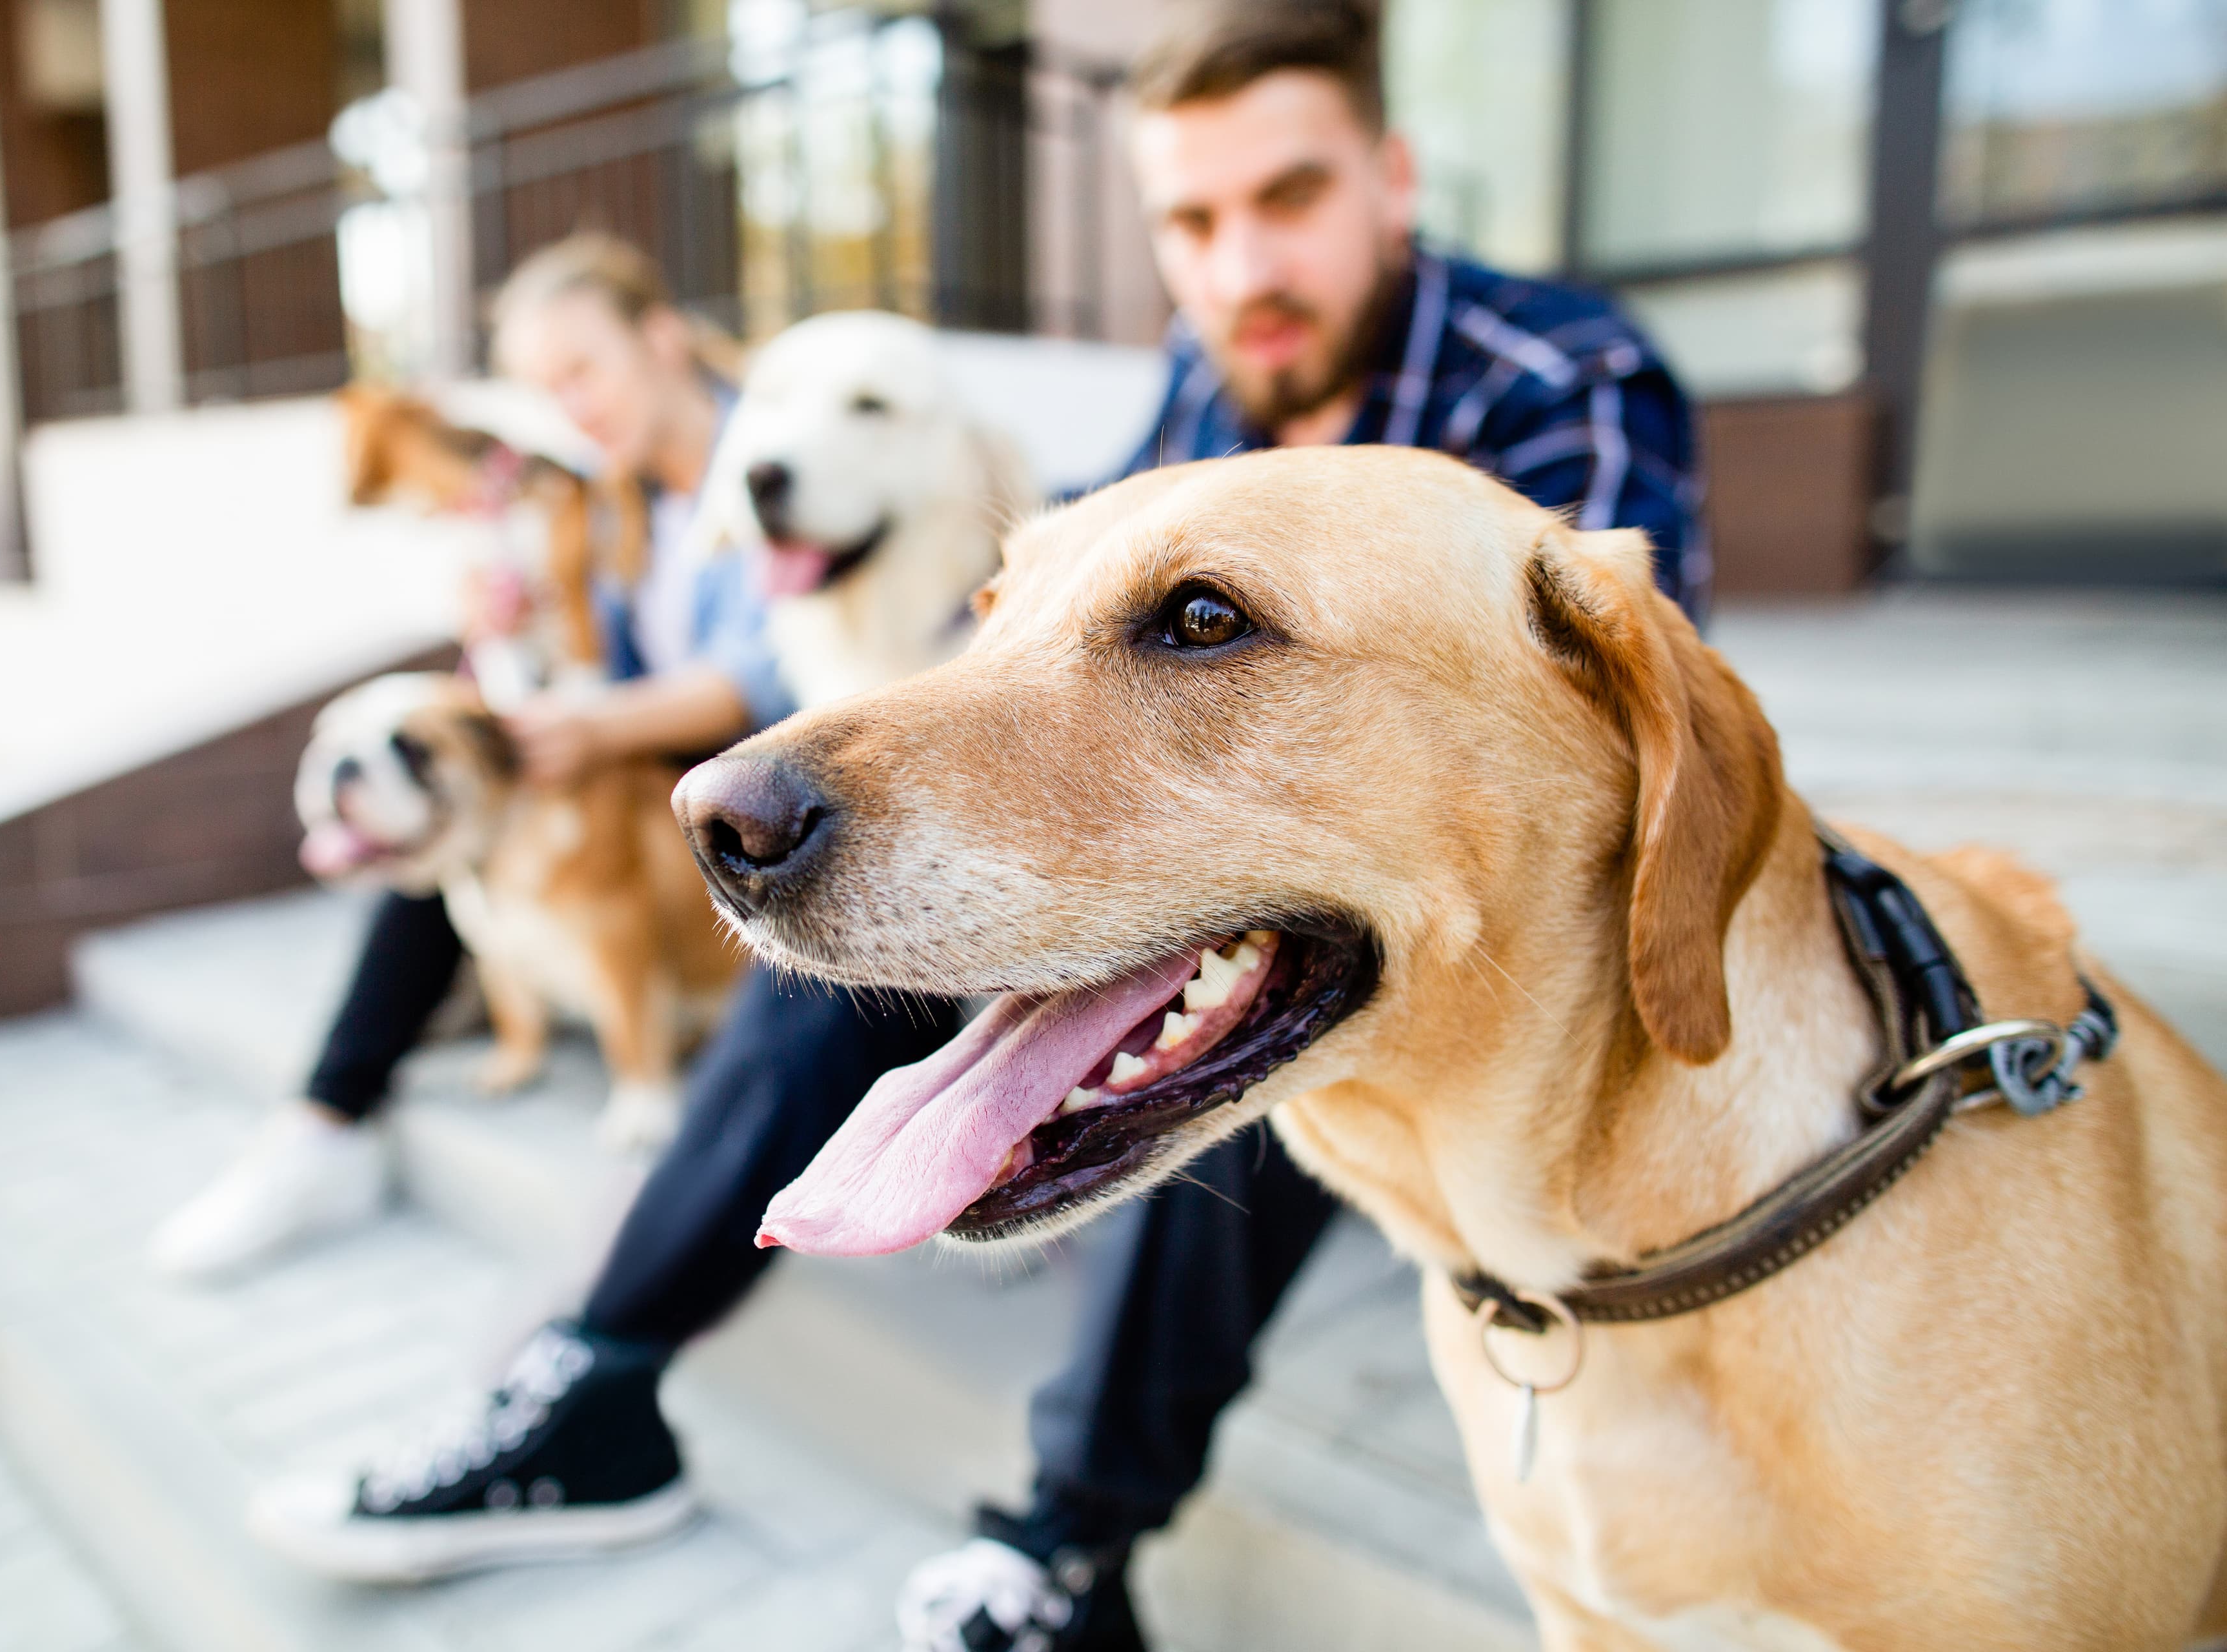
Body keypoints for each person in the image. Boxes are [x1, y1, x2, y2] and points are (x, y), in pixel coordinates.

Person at [243, 0, 1708, 1620]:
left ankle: (1063, 1544)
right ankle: (595, 1379)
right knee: (860, 911)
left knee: (1260, 976)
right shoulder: (1207, 373)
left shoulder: (1563, 375)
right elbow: (1069, 642)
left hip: (1472, 960)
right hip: (1221, 856)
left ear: (1393, 177)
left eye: (1286, 200)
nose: (1238, 268)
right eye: (1191, 221)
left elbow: (1590, 744)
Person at [146, 234, 799, 1281]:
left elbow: (765, 675)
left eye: (584, 369)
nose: (571, 405)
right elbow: (595, 673)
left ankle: (341, 1109)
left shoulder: (774, 460)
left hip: (772, 772)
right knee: (448, 816)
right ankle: (326, 1120)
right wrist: (513, 631)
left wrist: (592, 727)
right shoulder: (610, 501)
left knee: (484, 820)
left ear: (663, 338)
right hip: (650, 767)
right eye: (548, 387)